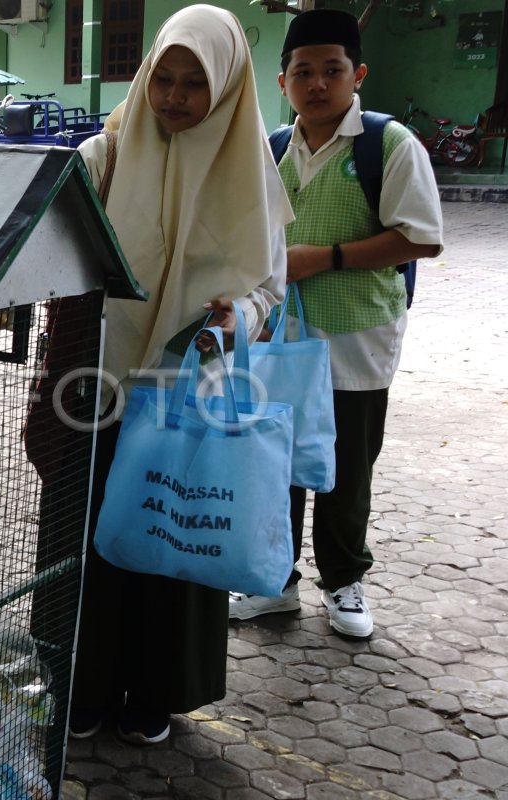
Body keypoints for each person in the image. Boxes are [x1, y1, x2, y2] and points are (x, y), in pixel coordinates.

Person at [33, 4, 292, 745]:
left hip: (188, 397)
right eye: (163, 79)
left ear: (230, 90)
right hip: (100, 389)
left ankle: (155, 690)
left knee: (172, 540)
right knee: (84, 541)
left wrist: (234, 318)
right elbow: (48, 238)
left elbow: (268, 288)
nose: (174, 98)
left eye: (193, 85)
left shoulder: (252, 175)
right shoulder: (105, 154)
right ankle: (76, 683)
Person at [228, 9, 443, 638]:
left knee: (347, 467)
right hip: (282, 342)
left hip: (358, 339)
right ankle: (276, 583)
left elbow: (421, 238)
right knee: (279, 463)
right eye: (303, 72)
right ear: (282, 82)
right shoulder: (269, 151)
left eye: (331, 70)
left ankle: (344, 582)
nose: (317, 83)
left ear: (358, 75)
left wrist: (323, 259)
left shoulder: (389, 145)